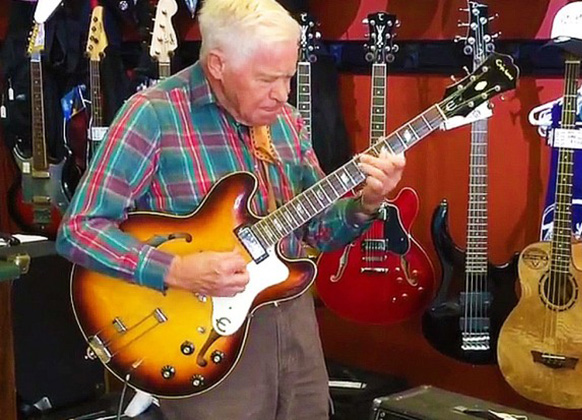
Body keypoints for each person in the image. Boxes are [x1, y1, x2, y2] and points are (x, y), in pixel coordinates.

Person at [55, 0, 406, 418]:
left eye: (288, 77)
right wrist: (175, 269)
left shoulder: (285, 121)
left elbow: (316, 230)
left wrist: (366, 203)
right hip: (200, 337)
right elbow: (79, 230)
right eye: (267, 79)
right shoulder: (153, 116)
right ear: (218, 65)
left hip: (294, 329)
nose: (283, 94)